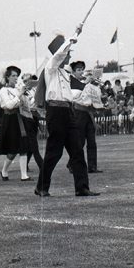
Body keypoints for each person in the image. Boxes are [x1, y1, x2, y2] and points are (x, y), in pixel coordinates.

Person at [37, 30, 98, 197]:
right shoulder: (50, 67)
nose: (69, 56)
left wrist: (87, 82)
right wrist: (70, 39)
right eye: (68, 53)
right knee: (53, 152)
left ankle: (82, 187)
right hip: (55, 111)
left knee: (77, 150)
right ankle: (41, 187)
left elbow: (75, 91)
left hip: (68, 111)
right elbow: (57, 56)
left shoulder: (65, 73)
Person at [0, 65, 35, 181]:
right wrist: (20, 94)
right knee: (12, 150)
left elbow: (27, 104)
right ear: (7, 77)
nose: (16, 78)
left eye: (17, 76)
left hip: (20, 118)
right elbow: (9, 105)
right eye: (13, 76)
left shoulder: (17, 89)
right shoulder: (3, 90)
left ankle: (24, 175)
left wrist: (28, 96)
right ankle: (4, 170)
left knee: (23, 147)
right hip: (10, 119)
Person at [70, 60, 103, 173]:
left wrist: (95, 85)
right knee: (79, 141)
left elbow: (95, 96)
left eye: (82, 70)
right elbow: (76, 95)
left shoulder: (86, 82)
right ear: (73, 72)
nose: (81, 72)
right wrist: (86, 83)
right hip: (78, 112)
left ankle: (92, 166)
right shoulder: (71, 82)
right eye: (78, 70)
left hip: (88, 112)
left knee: (92, 141)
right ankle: (72, 163)